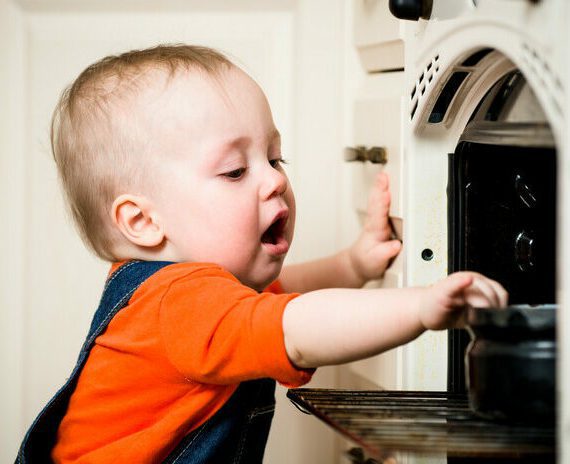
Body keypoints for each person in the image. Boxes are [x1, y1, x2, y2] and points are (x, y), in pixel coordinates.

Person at [16, 44, 507, 464]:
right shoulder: (179, 305)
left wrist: (354, 264)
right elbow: (295, 326)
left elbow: (281, 294)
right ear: (144, 222)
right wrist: (420, 307)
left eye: (275, 158)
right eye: (234, 171)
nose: (275, 180)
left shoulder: (181, 297)